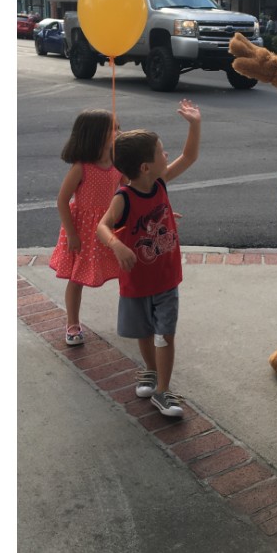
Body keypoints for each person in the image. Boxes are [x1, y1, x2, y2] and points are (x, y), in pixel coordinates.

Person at [96, 100, 201, 419]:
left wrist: (195, 125)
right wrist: (118, 245)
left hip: (166, 278)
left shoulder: (160, 183)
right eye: (161, 151)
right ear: (145, 166)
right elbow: (101, 227)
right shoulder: (123, 198)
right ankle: (151, 371)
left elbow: (190, 156)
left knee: (164, 332)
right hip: (137, 281)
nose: (166, 155)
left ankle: (162, 391)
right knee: (144, 332)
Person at [49, 109, 123, 346]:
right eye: (114, 128)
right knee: (76, 278)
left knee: (126, 270)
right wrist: (71, 234)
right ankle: (72, 323)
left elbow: (126, 192)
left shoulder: (117, 163)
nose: (119, 132)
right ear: (96, 135)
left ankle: (135, 316)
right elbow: (62, 200)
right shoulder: (82, 167)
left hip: (110, 226)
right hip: (83, 231)